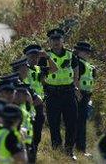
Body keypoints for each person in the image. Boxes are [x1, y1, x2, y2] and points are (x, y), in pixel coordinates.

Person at [42, 29, 79, 158]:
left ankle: (69, 151)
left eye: (58, 39)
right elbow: (40, 74)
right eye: (53, 39)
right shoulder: (45, 56)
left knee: (72, 123)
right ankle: (57, 151)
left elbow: (76, 70)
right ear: (49, 42)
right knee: (54, 123)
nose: (56, 42)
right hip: (52, 94)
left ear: (63, 41)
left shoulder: (70, 55)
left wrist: (76, 86)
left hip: (68, 92)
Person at [74, 41, 96, 157]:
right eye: (85, 51)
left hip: (85, 95)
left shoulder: (86, 64)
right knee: (79, 122)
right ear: (78, 51)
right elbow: (75, 79)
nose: (87, 54)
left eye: (88, 52)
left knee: (81, 122)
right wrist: (77, 93)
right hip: (80, 95)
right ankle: (80, 149)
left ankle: (79, 148)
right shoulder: (78, 63)